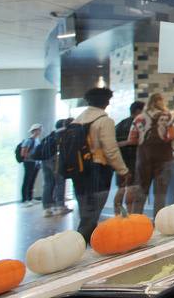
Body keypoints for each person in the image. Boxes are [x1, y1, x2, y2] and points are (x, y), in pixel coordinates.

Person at [72, 87, 131, 243]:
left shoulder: (79, 119)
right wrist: (123, 171)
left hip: (78, 169)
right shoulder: (104, 121)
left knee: (85, 208)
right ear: (106, 102)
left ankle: (83, 241)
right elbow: (110, 150)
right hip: (97, 169)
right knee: (93, 209)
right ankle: (81, 243)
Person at [129, 93, 174, 217]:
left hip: (144, 158)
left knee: (141, 191)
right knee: (160, 193)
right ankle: (158, 220)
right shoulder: (167, 116)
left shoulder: (139, 118)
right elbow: (172, 135)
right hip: (163, 158)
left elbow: (131, 139)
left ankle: (136, 219)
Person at [113, 101, 144, 210]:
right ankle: (130, 214)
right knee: (131, 187)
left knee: (121, 188)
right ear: (138, 111)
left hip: (120, 158)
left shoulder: (120, 124)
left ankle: (117, 214)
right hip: (133, 157)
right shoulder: (137, 123)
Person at [41, 119, 73, 217]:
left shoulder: (50, 135)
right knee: (60, 182)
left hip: (44, 160)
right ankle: (60, 206)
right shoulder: (64, 133)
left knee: (47, 184)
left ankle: (47, 208)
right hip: (56, 160)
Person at [19, 123, 42, 207]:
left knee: (32, 180)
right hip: (29, 162)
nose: (40, 131)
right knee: (27, 180)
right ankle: (24, 200)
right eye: (39, 129)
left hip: (35, 163)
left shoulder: (37, 140)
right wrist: (33, 156)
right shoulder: (29, 140)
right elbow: (23, 152)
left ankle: (30, 198)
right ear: (35, 131)